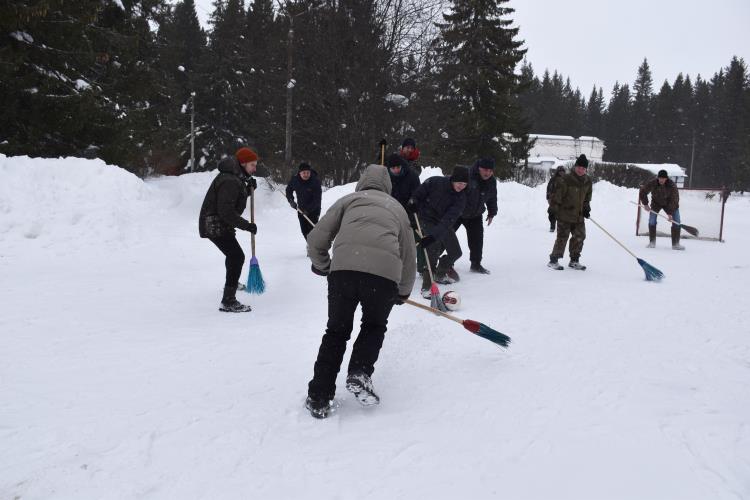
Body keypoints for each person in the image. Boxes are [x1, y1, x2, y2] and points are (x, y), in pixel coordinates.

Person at [305, 164, 416, 418]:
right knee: (374, 326)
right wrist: (403, 292)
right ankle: (360, 372)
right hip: (383, 277)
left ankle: (319, 396)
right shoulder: (397, 208)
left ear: (362, 181)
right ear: (388, 186)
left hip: (344, 273)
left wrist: (324, 266)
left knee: (336, 332)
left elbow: (315, 240)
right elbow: (409, 256)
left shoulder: (348, 200)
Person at [198, 147, 259, 312]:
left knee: (233, 256)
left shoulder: (233, 177)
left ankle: (232, 282)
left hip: (219, 223)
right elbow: (226, 211)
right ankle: (228, 300)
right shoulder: (230, 180)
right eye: (252, 165)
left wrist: (247, 190)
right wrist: (246, 225)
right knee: (236, 256)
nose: (255, 169)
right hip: (215, 224)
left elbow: (233, 199)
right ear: (243, 163)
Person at [407, 166, 468, 294]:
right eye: (459, 183)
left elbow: (447, 221)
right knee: (433, 249)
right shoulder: (435, 182)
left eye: (464, 184)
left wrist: (433, 236)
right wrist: (413, 201)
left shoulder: (461, 199)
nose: (461, 186)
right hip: (426, 218)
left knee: (456, 252)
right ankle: (427, 286)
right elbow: (419, 193)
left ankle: (440, 274)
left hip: (442, 222)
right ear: (453, 179)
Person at [451, 158, 498, 276]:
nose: (487, 173)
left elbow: (492, 197)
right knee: (446, 237)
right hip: (457, 213)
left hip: (475, 215)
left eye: (490, 171)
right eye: (485, 170)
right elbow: (452, 190)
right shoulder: (467, 175)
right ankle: (440, 263)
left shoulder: (492, 181)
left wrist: (492, 212)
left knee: (477, 240)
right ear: (479, 168)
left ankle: (476, 264)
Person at [547, 154, 592, 270]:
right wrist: (553, 210)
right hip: (564, 215)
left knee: (580, 237)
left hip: (579, 216)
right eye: (579, 167)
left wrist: (586, 208)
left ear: (586, 169)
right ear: (575, 167)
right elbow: (557, 196)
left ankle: (574, 260)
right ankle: (553, 260)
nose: (581, 170)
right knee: (562, 237)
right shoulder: (566, 179)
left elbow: (587, 198)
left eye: (583, 168)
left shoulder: (587, 181)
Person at [385, 152, 425, 273]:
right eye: (393, 168)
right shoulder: (385, 177)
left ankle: (423, 267)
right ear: (389, 168)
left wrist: (414, 201)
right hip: (392, 211)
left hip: (410, 210)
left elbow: (418, 193)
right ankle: (392, 265)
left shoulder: (412, 175)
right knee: (392, 239)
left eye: (398, 167)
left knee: (419, 236)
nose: (396, 170)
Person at [639, 169, 684, 250]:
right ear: (658, 178)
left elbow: (674, 200)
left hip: (670, 204)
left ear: (666, 178)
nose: (661, 180)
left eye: (663, 178)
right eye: (660, 178)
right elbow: (643, 191)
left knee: (677, 221)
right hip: (656, 203)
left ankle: (676, 244)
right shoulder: (653, 183)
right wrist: (645, 204)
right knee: (652, 221)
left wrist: (670, 213)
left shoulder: (672, 185)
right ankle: (652, 242)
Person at [286, 162, 322, 240]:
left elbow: (317, 200)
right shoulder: (295, 180)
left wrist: (308, 210)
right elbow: (288, 190)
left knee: (312, 231)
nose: (306, 175)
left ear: (310, 172)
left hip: (314, 210)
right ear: (300, 173)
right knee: (304, 231)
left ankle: (314, 246)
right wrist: (291, 200)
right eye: (304, 173)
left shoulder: (315, 181)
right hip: (301, 209)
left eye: (308, 172)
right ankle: (310, 244)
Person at [546, 166, 566, 232]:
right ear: (557, 172)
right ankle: (552, 226)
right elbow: (549, 188)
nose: (561, 173)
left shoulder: (566, 179)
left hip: (563, 200)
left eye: (563, 171)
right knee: (551, 213)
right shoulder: (553, 179)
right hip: (554, 200)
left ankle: (561, 228)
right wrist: (548, 197)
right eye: (560, 171)